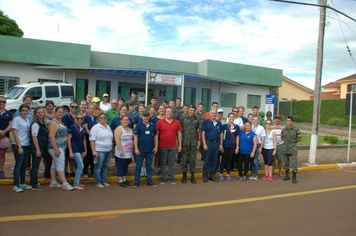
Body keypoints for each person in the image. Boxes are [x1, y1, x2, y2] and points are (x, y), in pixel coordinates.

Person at [48, 106, 73, 191]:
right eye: (59, 112)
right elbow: (51, 136)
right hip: (56, 147)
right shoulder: (53, 123)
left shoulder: (60, 121)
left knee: (54, 164)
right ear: (55, 113)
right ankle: (64, 183)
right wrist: (56, 149)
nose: (61, 113)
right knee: (60, 164)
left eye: (62, 112)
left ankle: (53, 181)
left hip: (61, 146)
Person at [156, 107, 182, 185]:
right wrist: (156, 145)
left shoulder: (177, 122)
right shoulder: (160, 122)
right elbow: (156, 134)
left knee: (171, 163)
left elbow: (179, 134)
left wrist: (180, 145)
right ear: (165, 113)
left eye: (170, 112)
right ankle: (163, 178)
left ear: (173, 113)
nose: (169, 113)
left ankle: (171, 178)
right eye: (168, 111)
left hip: (173, 146)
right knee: (163, 163)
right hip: (162, 146)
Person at [133, 111, 158, 187]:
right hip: (140, 150)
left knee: (149, 166)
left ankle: (149, 180)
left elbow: (156, 136)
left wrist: (156, 147)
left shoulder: (153, 126)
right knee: (138, 166)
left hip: (150, 150)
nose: (146, 118)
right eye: (145, 116)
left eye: (147, 116)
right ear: (142, 117)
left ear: (149, 117)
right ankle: (137, 181)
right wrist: (136, 149)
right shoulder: (138, 126)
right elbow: (136, 137)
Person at [90, 112, 113, 188]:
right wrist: (94, 151)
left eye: (104, 117)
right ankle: (98, 182)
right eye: (101, 117)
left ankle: (103, 181)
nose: (103, 119)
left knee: (105, 166)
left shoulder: (108, 127)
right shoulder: (95, 127)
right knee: (98, 166)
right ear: (98, 119)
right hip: (100, 150)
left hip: (108, 150)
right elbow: (92, 140)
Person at [12, 104, 31, 193]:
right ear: (20, 111)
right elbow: (15, 133)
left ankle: (23, 182)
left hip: (26, 144)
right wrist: (19, 146)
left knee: (24, 165)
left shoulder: (27, 120)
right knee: (18, 165)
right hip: (18, 145)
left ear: (29, 111)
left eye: (26, 110)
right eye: (23, 110)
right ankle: (16, 184)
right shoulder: (16, 120)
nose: (24, 112)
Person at [180, 105, 201, 184]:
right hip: (185, 142)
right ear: (188, 110)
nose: (192, 112)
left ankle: (192, 176)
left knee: (193, 159)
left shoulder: (197, 119)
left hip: (193, 142)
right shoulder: (183, 118)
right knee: (184, 159)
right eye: (191, 110)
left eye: (193, 110)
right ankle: (184, 176)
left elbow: (199, 130)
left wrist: (199, 140)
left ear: (195, 111)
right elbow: (179, 129)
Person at [201, 109, 223, 183]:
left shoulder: (219, 123)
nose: (213, 114)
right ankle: (205, 176)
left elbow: (221, 134)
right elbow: (203, 133)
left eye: (215, 113)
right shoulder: (206, 122)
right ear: (210, 114)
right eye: (212, 113)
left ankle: (212, 176)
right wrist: (204, 144)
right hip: (208, 142)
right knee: (206, 160)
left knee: (214, 160)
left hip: (217, 143)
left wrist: (221, 144)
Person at [30, 107, 48, 191]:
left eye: (41, 112)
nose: (40, 114)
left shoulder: (43, 123)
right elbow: (34, 137)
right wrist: (37, 149)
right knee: (35, 166)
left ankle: (47, 174)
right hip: (37, 147)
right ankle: (34, 184)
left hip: (42, 147)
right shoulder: (36, 124)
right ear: (35, 114)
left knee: (49, 159)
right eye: (38, 112)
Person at [67, 113, 87, 190]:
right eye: (78, 118)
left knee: (79, 166)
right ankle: (75, 184)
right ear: (75, 119)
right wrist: (70, 151)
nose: (79, 120)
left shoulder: (83, 128)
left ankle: (77, 181)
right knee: (81, 165)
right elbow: (69, 139)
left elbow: (84, 140)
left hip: (81, 149)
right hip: (75, 149)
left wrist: (85, 150)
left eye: (81, 118)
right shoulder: (72, 127)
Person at [114, 115, 134, 187]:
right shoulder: (119, 129)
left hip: (128, 152)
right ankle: (120, 180)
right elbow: (117, 140)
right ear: (121, 121)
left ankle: (124, 179)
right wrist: (120, 150)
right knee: (121, 166)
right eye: (124, 120)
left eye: (127, 120)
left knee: (126, 166)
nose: (125, 121)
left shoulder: (130, 129)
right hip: (121, 151)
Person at [220, 112, 240, 181]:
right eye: (230, 117)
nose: (231, 118)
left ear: (234, 118)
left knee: (229, 160)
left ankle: (228, 174)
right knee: (224, 160)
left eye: (233, 117)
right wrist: (221, 145)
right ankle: (221, 174)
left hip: (232, 146)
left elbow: (237, 137)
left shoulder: (236, 127)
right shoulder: (224, 126)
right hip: (225, 146)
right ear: (228, 118)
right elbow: (222, 135)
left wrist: (237, 147)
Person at [281, 116, 301, 184]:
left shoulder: (296, 129)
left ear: (292, 121)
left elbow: (299, 138)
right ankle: (287, 175)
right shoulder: (284, 129)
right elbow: (282, 137)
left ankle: (294, 177)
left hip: (293, 148)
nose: (289, 122)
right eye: (287, 121)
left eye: (290, 121)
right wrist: (287, 142)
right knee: (286, 162)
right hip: (285, 148)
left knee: (294, 163)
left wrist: (293, 142)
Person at [82, 104, 98, 180]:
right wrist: (92, 136)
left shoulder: (96, 118)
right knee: (87, 156)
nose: (91, 110)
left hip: (95, 140)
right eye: (90, 109)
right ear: (87, 109)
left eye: (93, 109)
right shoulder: (85, 118)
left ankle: (92, 171)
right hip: (88, 139)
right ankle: (85, 172)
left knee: (93, 155)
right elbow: (86, 129)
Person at [62, 102, 77, 178]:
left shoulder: (77, 116)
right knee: (67, 156)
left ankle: (72, 170)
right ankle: (65, 171)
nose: (74, 108)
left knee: (72, 156)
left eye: (75, 107)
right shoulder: (66, 116)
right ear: (69, 107)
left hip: (75, 138)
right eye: (72, 107)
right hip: (68, 137)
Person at [0, 96, 12, 179]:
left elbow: (10, 124)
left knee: (2, 155)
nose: (1, 103)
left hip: (4, 136)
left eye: (3, 101)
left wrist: (4, 131)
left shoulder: (9, 113)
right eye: (0, 101)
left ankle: (1, 170)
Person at [250, 116, 265, 180]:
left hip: (258, 145)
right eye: (254, 120)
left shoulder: (261, 128)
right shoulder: (251, 127)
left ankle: (256, 174)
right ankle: (253, 173)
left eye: (257, 120)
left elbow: (263, 138)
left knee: (255, 160)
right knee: (252, 160)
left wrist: (261, 147)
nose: (255, 121)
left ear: (259, 121)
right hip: (251, 145)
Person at [152, 105, 165, 176]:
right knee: (157, 155)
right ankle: (156, 168)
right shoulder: (155, 119)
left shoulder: (167, 118)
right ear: (158, 110)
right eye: (160, 108)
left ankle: (162, 169)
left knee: (164, 156)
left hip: (165, 139)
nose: (162, 110)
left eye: (163, 109)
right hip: (157, 139)